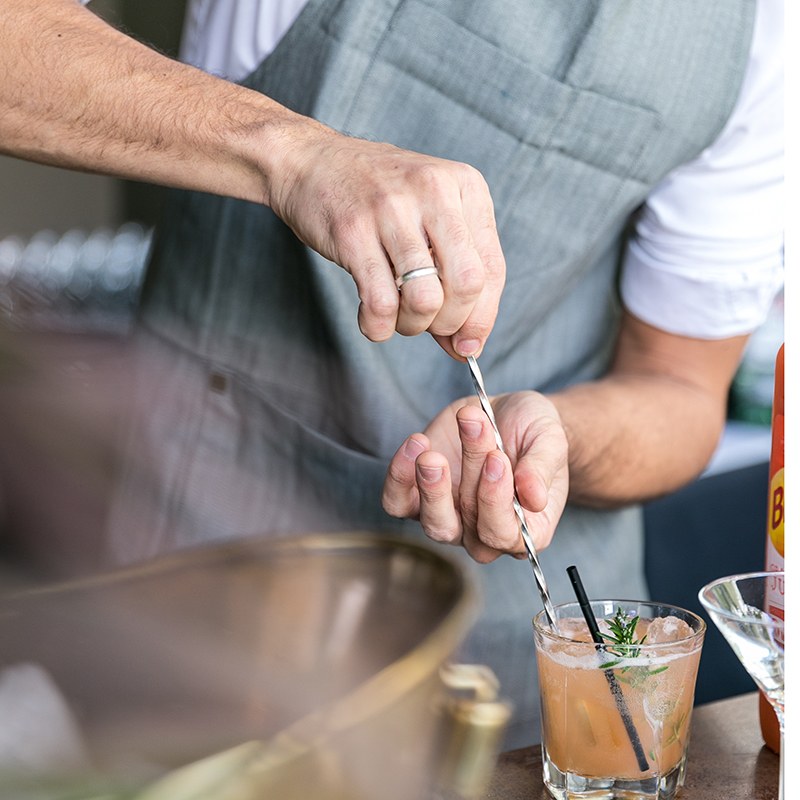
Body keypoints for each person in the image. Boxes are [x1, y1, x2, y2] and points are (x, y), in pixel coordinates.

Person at [0, 0, 783, 749]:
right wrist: (293, 152)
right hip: (211, 596)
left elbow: (681, 388)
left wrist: (559, 439)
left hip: (525, 662)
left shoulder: (767, 28)